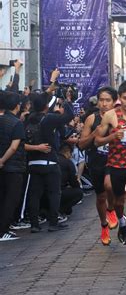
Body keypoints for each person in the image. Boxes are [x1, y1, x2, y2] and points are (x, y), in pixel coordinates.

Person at [95, 81, 126, 245]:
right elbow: (97, 141)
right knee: (118, 201)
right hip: (116, 163)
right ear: (119, 98)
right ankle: (122, 222)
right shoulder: (111, 115)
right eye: (125, 98)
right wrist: (112, 137)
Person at [26, 90, 74, 233]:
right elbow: (69, 116)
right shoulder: (50, 118)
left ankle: (34, 224)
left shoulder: (28, 118)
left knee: (34, 194)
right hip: (50, 162)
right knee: (54, 193)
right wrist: (68, 99)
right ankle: (53, 222)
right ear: (47, 106)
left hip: (32, 162)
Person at [78, 86, 117, 245]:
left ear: (114, 102)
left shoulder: (119, 118)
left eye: (108, 100)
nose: (104, 103)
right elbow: (81, 144)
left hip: (114, 160)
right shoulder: (92, 119)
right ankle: (103, 225)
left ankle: (111, 209)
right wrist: (94, 134)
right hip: (96, 161)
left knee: (110, 185)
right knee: (100, 196)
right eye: (101, 100)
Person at [0, 92, 26, 241]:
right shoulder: (16, 123)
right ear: (18, 106)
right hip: (13, 166)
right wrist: (3, 160)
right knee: (11, 199)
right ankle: (3, 231)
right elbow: (14, 147)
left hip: (4, 167)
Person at [57, 144, 83, 216]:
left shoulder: (55, 159)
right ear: (68, 152)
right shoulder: (67, 162)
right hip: (60, 191)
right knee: (79, 193)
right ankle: (60, 210)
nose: (71, 156)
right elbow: (74, 181)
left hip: (47, 191)